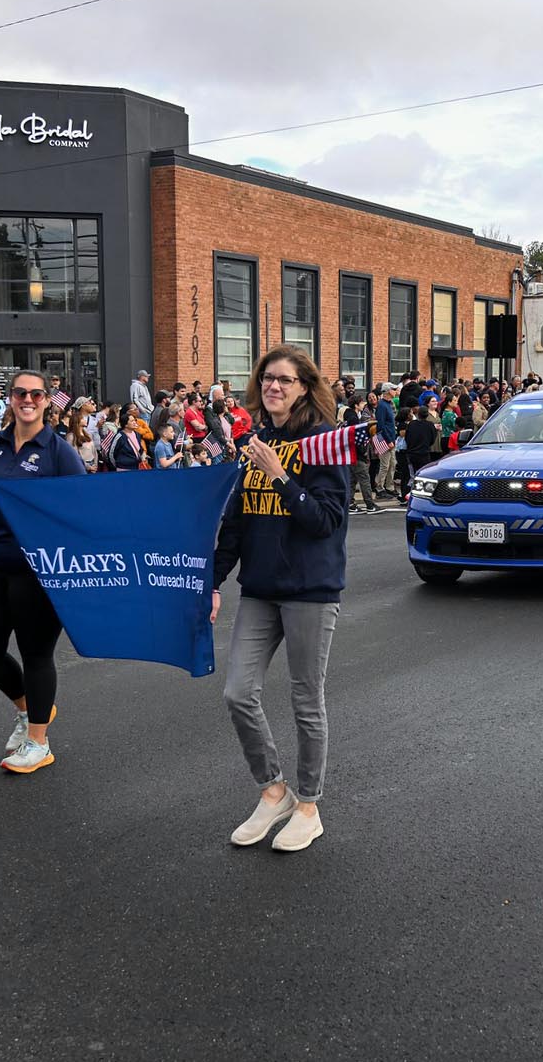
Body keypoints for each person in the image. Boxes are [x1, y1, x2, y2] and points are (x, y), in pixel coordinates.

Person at [214, 346, 349, 852]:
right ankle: (274, 791)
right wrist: (210, 581)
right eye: (268, 378)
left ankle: (309, 806)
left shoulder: (323, 443)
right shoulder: (256, 442)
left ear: (305, 388)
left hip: (311, 590)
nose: (273, 387)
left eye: (285, 380)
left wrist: (279, 476)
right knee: (237, 692)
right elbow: (235, 523)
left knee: (305, 700)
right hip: (261, 589)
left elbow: (325, 521)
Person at [0, 369, 85, 775]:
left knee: (36, 653)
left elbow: (80, 510)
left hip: (39, 570)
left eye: (36, 394)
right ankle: (29, 710)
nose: (28, 400)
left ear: (46, 400)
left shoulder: (60, 453)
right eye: (20, 393)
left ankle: (39, 742)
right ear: (9, 399)